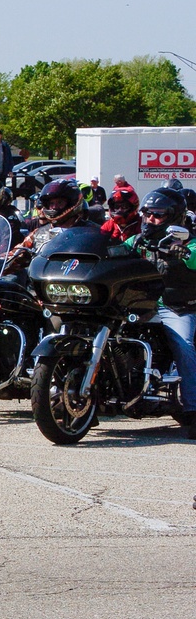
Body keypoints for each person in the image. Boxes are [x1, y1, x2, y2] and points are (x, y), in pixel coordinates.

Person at [123, 188, 196, 439]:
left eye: (157, 215)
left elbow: (195, 256)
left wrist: (183, 253)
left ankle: (193, 408)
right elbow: (113, 251)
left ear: (174, 218)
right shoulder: (136, 241)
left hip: (175, 306)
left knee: (183, 344)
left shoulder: (190, 241)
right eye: (147, 214)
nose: (150, 219)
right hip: (137, 305)